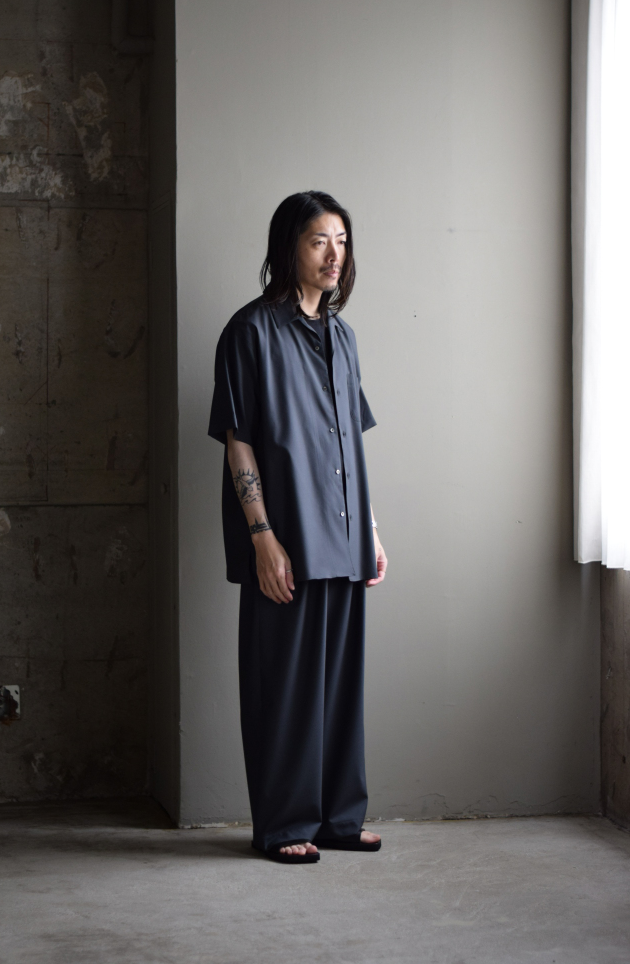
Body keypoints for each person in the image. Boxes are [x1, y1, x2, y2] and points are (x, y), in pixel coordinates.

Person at [208, 191, 388, 864]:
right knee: (284, 692)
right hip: (287, 541)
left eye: (341, 241)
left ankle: (338, 819)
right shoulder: (249, 331)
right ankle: (285, 826)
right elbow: (238, 443)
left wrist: (371, 530)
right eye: (319, 241)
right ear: (289, 248)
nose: (334, 255)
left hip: (345, 541)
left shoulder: (344, 337)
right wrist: (262, 539)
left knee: (340, 691)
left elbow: (349, 444)